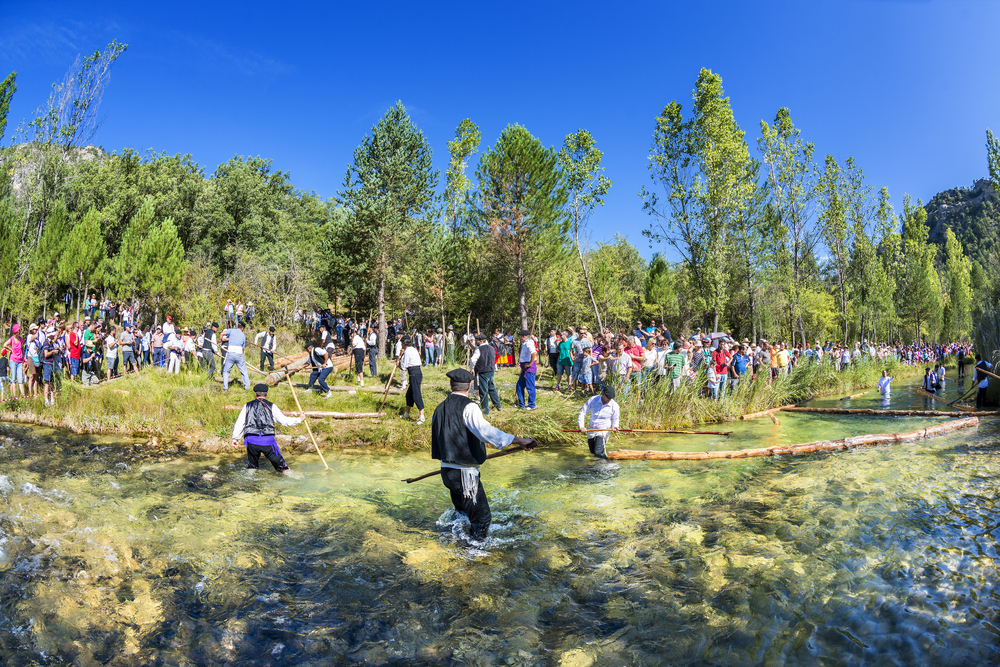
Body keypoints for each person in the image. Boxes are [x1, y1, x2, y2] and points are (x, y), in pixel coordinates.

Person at [431, 368, 537, 540]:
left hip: (447, 472)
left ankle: (453, 544)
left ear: (451, 385)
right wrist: (519, 440)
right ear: (470, 386)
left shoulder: (439, 407)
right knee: (482, 518)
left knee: (463, 515)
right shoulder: (469, 407)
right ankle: (473, 555)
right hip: (465, 475)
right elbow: (485, 432)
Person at [230, 383, 303, 474]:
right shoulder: (272, 406)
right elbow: (284, 421)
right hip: (268, 441)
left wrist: (235, 438)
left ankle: (250, 484)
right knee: (283, 468)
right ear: (267, 394)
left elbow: (240, 423)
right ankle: (292, 482)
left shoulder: (247, 406)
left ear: (255, 394)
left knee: (252, 466)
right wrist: (299, 419)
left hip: (251, 441)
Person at [577, 384, 620, 459]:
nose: (609, 400)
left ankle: (609, 466)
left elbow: (616, 418)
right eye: (608, 398)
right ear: (603, 394)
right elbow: (582, 413)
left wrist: (615, 426)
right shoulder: (593, 400)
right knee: (593, 452)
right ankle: (595, 468)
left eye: (611, 398)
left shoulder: (614, 405)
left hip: (604, 431)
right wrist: (582, 426)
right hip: (591, 429)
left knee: (598, 452)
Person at [469, 333, 501, 414]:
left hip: (483, 371)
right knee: (491, 388)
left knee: (483, 390)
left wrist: (472, 368)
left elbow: (473, 360)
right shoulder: (491, 348)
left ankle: (485, 410)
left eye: (476, 341)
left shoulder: (479, 349)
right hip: (491, 370)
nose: (476, 342)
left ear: (481, 341)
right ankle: (498, 405)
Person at [399, 336, 425, 424]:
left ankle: (422, 417)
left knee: (416, 394)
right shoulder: (414, 349)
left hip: (414, 374)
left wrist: (398, 365)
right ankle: (406, 413)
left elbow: (404, 367)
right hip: (416, 373)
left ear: (404, 343)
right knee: (409, 395)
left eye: (401, 343)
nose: (401, 344)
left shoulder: (407, 351)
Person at [220, 321, 251, 391]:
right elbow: (243, 348)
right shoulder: (243, 335)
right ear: (242, 328)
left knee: (226, 371)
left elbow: (221, 333)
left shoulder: (231, 331)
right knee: (244, 372)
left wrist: (219, 342)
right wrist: (242, 356)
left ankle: (225, 388)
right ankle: (247, 387)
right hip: (239, 353)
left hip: (230, 352)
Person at [515, 329, 537, 410]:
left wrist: (530, 364)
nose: (519, 338)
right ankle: (521, 404)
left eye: (520, 336)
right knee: (519, 385)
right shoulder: (525, 343)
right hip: (524, 368)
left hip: (529, 369)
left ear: (524, 336)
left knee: (530, 387)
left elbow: (533, 353)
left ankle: (531, 405)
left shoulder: (529, 343)